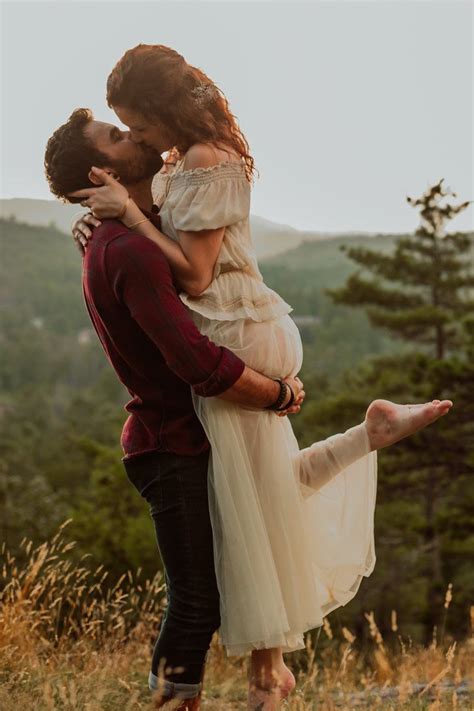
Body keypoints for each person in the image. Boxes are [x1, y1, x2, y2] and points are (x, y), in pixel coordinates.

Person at [55, 103, 452, 709]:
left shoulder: (140, 228)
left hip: (193, 429)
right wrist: (278, 394)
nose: (132, 134)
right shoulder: (128, 249)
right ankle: (175, 703)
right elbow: (196, 364)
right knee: (197, 600)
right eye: (115, 135)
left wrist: (111, 217)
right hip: (170, 441)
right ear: (99, 175)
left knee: (268, 516)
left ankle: (367, 436)